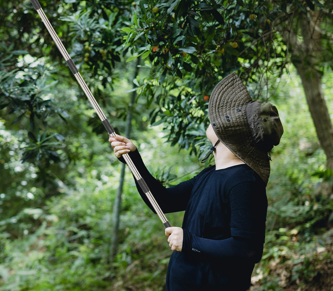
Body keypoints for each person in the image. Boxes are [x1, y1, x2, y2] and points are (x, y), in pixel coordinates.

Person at [109, 72, 284, 291]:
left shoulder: (244, 182)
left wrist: (190, 242)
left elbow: (248, 249)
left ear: (231, 132)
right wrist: (133, 158)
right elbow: (162, 202)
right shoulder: (210, 174)